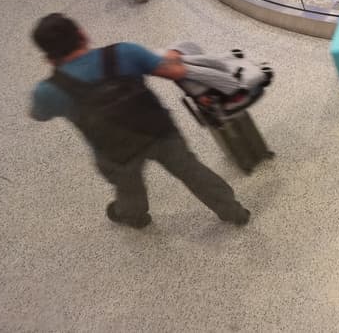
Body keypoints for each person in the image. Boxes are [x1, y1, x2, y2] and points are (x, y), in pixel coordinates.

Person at [30, 14, 251, 228]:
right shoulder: (124, 53)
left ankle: (134, 217)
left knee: (128, 188)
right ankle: (233, 211)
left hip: (114, 152)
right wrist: (176, 54)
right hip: (159, 131)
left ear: (48, 57)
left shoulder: (48, 91)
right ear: (82, 34)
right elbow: (175, 71)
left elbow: (39, 115)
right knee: (191, 170)